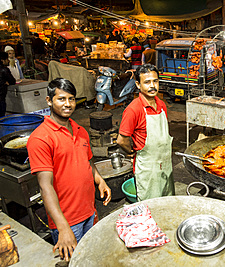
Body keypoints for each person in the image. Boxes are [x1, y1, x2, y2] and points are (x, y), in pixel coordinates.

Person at [27, 78, 111, 261]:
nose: (67, 104)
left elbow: (88, 162)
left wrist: (100, 180)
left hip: (90, 212)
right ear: (49, 100)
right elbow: (45, 187)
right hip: (67, 222)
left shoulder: (80, 130)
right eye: (61, 99)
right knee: (75, 262)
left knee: (91, 259)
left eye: (71, 99)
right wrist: (63, 228)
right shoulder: (40, 138)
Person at [116, 64, 174, 201]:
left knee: (167, 202)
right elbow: (121, 140)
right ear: (138, 84)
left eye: (155, 81)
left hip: (166, 164)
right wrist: (131, 152)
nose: (152, 86)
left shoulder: (161, 104)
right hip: (148, 169)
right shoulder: (133, 109)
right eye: (147, 82)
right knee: (150, 207)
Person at [0, 52, 16, 117]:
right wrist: (5, 82)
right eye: (6, 59)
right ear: (2, 60)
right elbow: (12, 81)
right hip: (1, 99)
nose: (8, 61)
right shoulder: (4, 70)